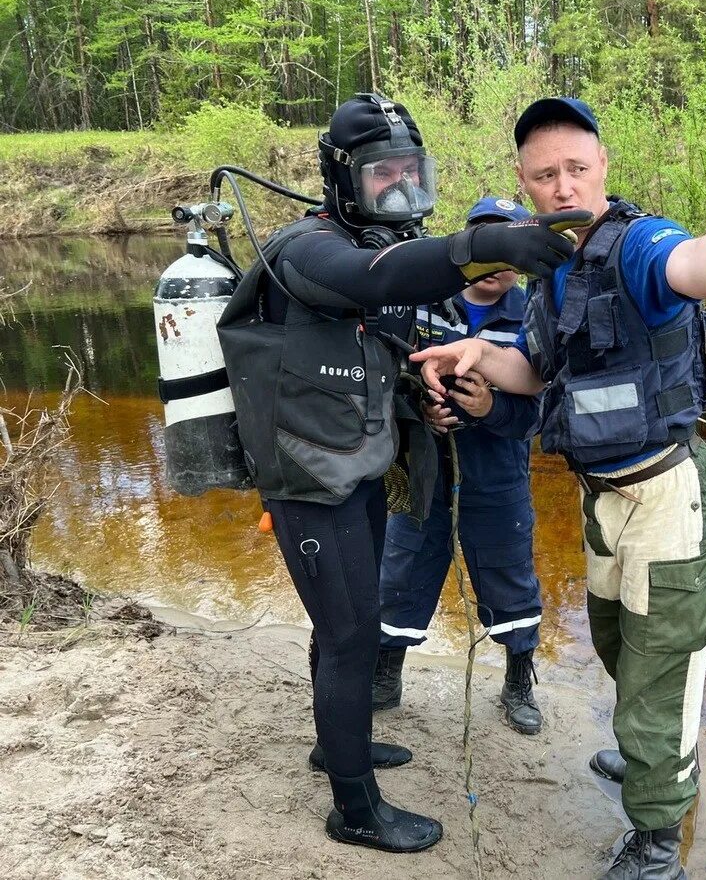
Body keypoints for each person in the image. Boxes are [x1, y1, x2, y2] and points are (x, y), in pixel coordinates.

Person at [410, 97, 706, 879]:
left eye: (577, 169)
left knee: (661, 669)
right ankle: (653, 759)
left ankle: (658, 840)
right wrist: (476, 353)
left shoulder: (639, 246)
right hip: (602, 500)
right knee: (619, 646)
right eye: (545, 175)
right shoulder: (551, 271)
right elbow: (537, 373)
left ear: (603, 169)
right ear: (525, 185)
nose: (563, 187)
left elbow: (696, 260)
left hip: (665, 498)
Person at [216, 93, 591, 855]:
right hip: (306, 479)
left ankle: (338, 745)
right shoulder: (308, 248)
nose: (397, 194)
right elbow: (379, 277)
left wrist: (432, 401)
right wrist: (490, 244)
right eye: (381, 177)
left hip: (354, 464)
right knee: (352, 635)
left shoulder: (384, 246)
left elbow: (380, 350)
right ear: (341, 177)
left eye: (411, 177)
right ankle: (354, 809)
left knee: (342, 626)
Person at [373, 195, 547, 736]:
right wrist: (419, 408)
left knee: (508, 570)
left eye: (507, 247)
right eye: (486, 243)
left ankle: (519, 677)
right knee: (402, 566)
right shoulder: (423, 298)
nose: (496, 265)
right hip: (422, 465)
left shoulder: (533, 313)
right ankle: (386, 670)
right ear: (468, 242)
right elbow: (384, 375)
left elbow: (539, 409)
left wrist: (491, 407)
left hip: (497, 469)